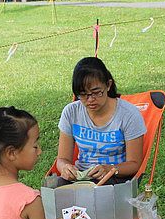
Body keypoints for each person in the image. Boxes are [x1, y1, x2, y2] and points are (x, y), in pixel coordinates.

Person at [56, 57, 146, 185]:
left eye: (96, 92)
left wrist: (111, 169)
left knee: (99, 196)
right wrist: (65, 167)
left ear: (108, 85)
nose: (90, 99)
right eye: (83, 94)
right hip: (81, 176)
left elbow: (134, 164)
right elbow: (62, 159)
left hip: (115, 177)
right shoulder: (71, 112)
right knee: (57, 193)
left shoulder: (128, 115)